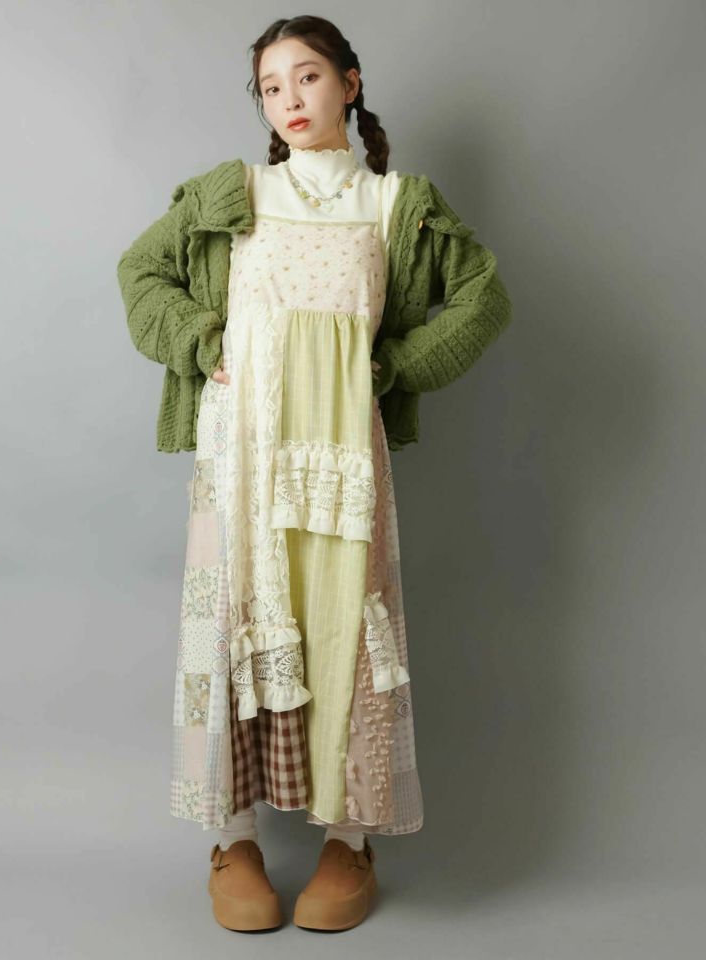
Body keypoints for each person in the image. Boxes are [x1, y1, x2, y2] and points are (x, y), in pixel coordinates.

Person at [116, 14, 512, 933]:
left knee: (346, 625)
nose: (289, 99)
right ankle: (235, 836)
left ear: (350, 83)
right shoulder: (236, 193)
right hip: (242, 450)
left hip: (341, 458)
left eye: (307, 77)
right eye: (271, 86)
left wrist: (392, 367)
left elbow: (483, 297)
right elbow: (142, 273)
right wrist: (202, 340)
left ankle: (349, 838)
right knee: (238, 619)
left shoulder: (395, 204)